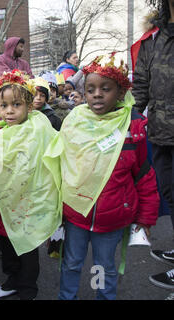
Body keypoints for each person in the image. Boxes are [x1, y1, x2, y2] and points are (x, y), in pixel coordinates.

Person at [43, 53, 160, 300]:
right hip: (76, 214)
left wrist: (146, 218)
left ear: (120, 92)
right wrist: (54, 208)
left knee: (102, 267)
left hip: (112, 218)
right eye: (90, 89)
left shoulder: (133, 127)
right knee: (71, 262)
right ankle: (67, 297)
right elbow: (59, 165)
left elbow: (144, 174)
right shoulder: (74, 120)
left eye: (105, 88)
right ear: (83, 93)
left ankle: (104, 297)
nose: (97, 94)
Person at [0, 70, 61, 300]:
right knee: (7, 243)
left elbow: (50, 158)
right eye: (4, 105)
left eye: (16, 104)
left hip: (29, 200)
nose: (9, 110)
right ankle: (12, 279)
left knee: (27, 247)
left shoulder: (39, 128)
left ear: (29, 106)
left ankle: (28, 287)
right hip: (5, 200)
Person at [131, 0, 174, 291]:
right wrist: (125, 120)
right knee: (170, 194)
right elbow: (142, 85)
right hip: (161, 134)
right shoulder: (154, 35)